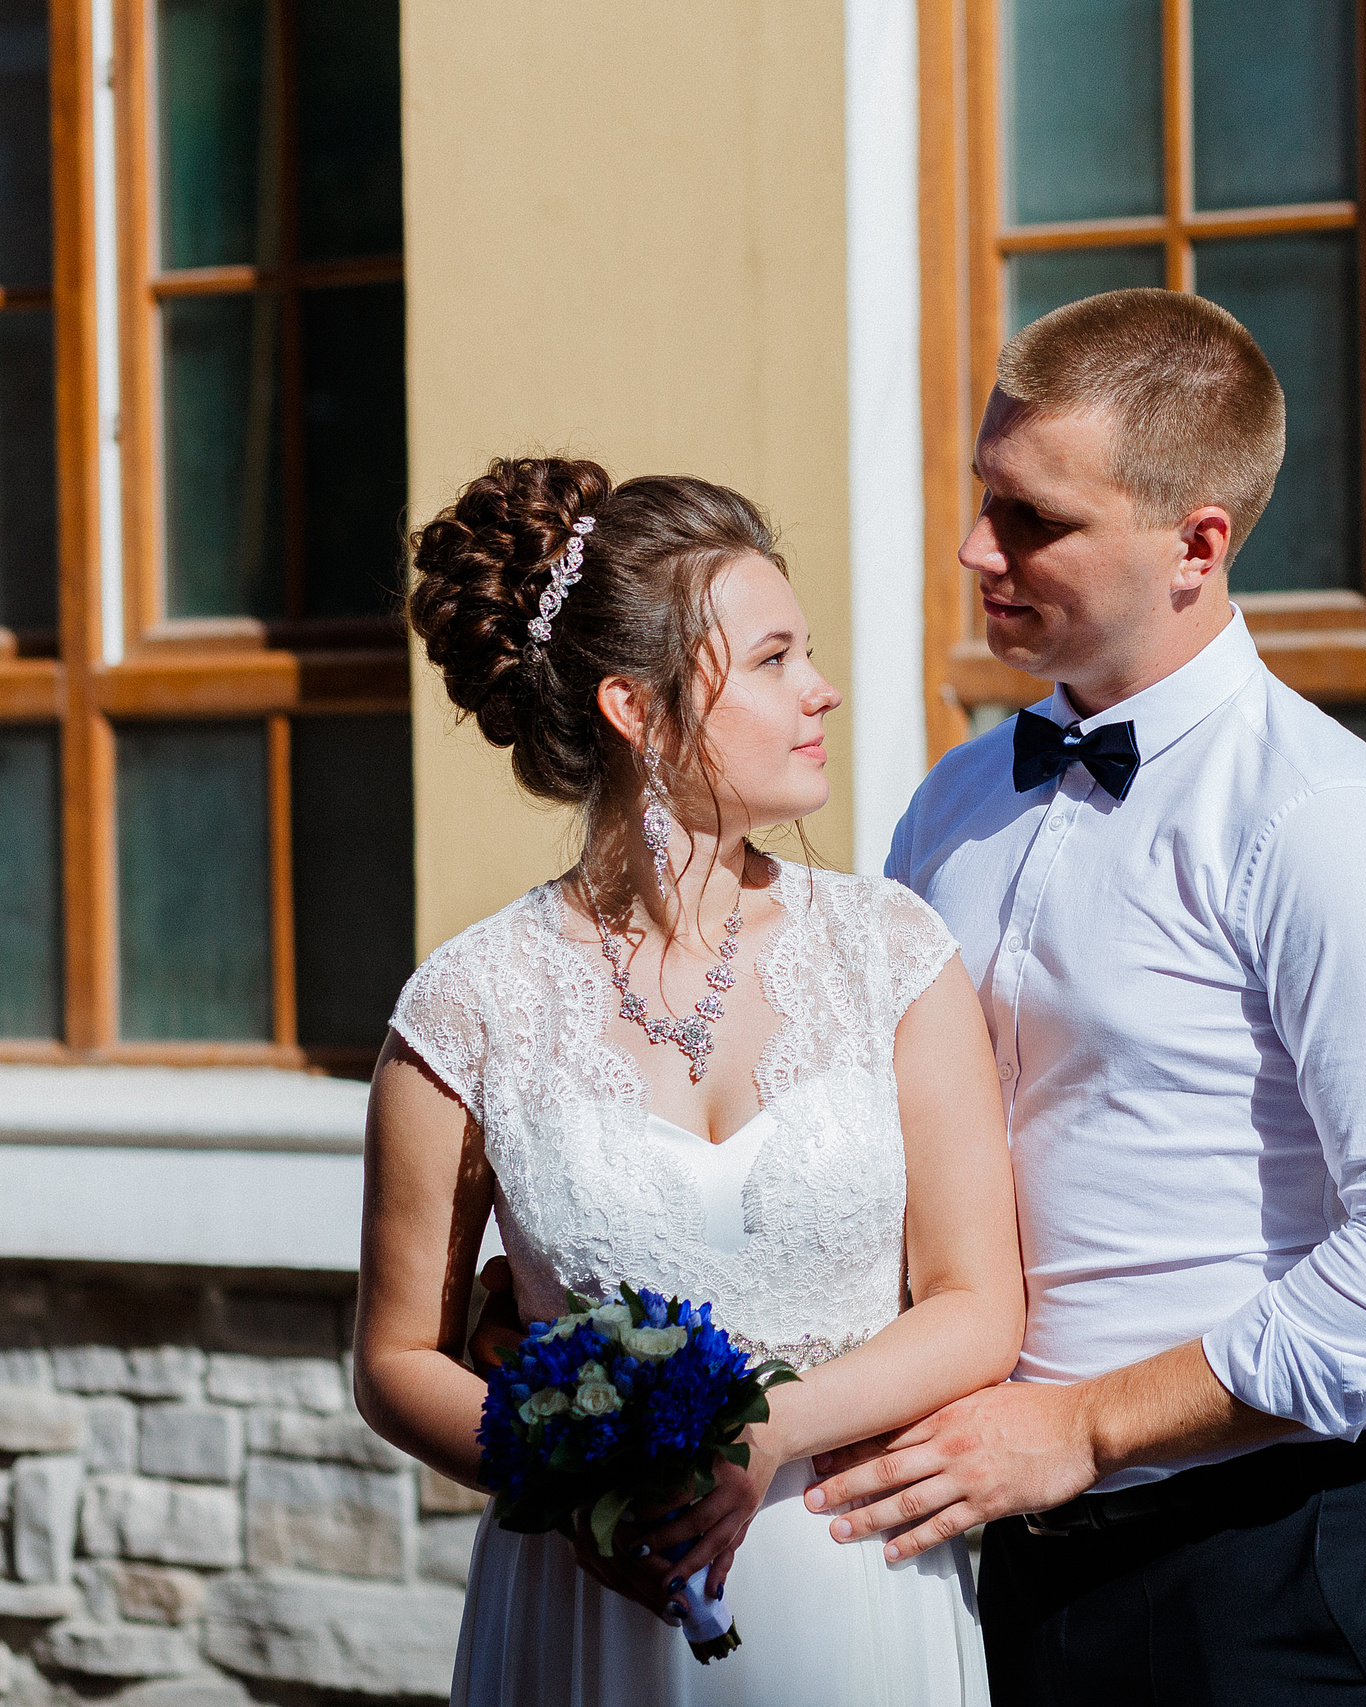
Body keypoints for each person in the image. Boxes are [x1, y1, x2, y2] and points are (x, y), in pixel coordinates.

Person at [810, 289, 1366, 1705]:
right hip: (1000, 1549)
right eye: (980, 500)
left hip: (1273, 1559)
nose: (975, 549)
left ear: (1197, 543)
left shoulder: (1325, 820)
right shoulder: (952, 804)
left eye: (1033, 519)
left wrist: (1082, 1426)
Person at [352, 459, 1022, 1706]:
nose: (820, 691)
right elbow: (396, 1357)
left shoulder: (892, 957)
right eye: (772, 662)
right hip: (586, 1611)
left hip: (850, 1588)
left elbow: (978, 1303)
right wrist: (566, 1484)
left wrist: (765, 1430)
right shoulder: (468, 1006)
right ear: (637, 711)